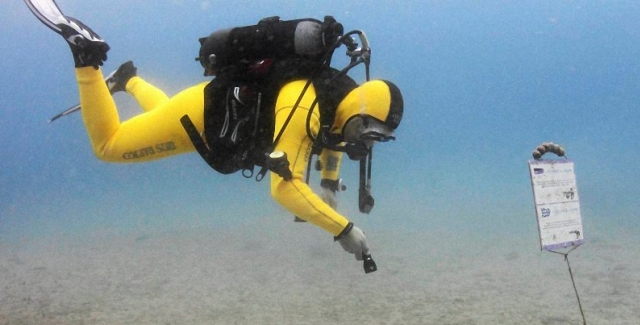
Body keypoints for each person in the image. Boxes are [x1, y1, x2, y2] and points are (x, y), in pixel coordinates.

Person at [24, 1, 404, 271]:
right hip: (199, 120)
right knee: (109, 146)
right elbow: (284, 188)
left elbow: (332, 136)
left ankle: (128, 80)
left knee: (163, 113)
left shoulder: (340, 96)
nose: (366, 143)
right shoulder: (303, 103)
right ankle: (86, 57)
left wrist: (329, 182)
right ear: (359, 112)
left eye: (377, 137)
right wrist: (343, 230)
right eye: (368, 132)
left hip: (204, 117)